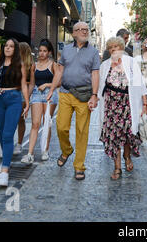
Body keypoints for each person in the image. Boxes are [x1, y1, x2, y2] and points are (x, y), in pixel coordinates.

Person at [47, 21, 100, 181]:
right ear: (74, 33)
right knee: (61, 127)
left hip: (84, 95)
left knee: (82, 131)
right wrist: (51, 89)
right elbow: (60, 71)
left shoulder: (93, 52)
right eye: (80, 29)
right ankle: (67, 149)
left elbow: (95, 74)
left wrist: (94, 95)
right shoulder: (66, 50)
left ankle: (79, 166)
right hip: (65, 92)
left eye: (86, 29)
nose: (84, 31)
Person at [98, 37, 147, 180]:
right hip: (111, 105)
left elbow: (140, 84)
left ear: (122, 48)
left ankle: (127, 156)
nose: (113, 49)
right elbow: (100, 85)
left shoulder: (131, 63)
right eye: (111, 47)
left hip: (127, 104)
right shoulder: (105, 65)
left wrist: (144, 104)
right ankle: (117, 167)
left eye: (116, 46)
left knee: (127, 134)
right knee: (113, 136)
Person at [0, 38, 29, 187]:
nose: (8, 48)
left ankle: (5, 170)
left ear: (15, 49)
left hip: (14, 99)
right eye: (6, 45)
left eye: (11, 46)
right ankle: (7, 160)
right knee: (2, 135)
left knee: (7, 135)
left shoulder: (20, 65)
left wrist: (27, 102)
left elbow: (24, 85)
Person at [21, 39, 58, 164]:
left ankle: (45, 150)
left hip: (50, 94)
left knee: (46, 122)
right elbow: (31, 84)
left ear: (49, 52)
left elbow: (59, 82)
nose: (41, 53)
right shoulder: (34, 65)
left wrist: (48, 84)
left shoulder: (53, 65)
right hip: (36, 93)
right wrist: (27, 101)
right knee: (35, 124)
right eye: (40, 51)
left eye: (44, 51)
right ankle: (30, 153)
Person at [14, 42, 33, 155]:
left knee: (19, 119)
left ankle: (19, 144)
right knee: (17, 120)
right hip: (16, 91)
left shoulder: (29, 65)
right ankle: (17, 144)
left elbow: (30, 82)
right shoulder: (15, 62)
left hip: (22, 92)